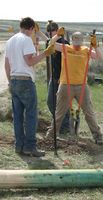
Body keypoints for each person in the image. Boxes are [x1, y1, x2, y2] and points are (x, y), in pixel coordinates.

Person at [5, 17, 54, 157]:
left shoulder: (10, 41)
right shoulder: (26, 39)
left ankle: (19, 146)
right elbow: (30, 61)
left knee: (18, 116)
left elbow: (7, 65)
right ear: (32, 28)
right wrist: (45, 53)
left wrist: (10, 82)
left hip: (14, 79)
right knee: (31, 115)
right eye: (34, 30)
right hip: (25, 81)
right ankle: (30, 147)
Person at [46, 28, 103, 145]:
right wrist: (58, 35)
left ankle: (97, 136)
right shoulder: (65, 48)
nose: (77, 41)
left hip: (82, 86)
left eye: (79, 39)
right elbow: (50, 43)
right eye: (75, 38)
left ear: (83, 40)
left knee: (89, 112)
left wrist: (96, 45)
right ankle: (51, 135)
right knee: (59, 113)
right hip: (65, 85)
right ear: (72, 40)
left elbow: (100, 58)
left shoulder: (86, 50)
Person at [46, 21, 70, 134]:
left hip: (63, 78)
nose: (50, 34)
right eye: (48, 32)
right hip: (54, 77)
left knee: (63, 103)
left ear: (57, 31)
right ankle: (57, 123)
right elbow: (48, 42)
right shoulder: (52, 41)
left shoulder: (63, 43)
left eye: (52, 32)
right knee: (51, 102)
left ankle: (65, 127)